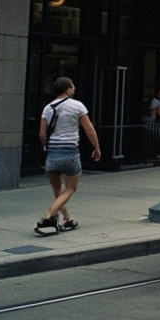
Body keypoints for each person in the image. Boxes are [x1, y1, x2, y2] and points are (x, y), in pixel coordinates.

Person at [35, 77, 101, 235]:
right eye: (73, 87)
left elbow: (42, 134)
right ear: (68, 89)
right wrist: (96, 147)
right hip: (70, 151)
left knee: (58, 191)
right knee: (70, 188)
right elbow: (89, 129)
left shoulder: (47, 108)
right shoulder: (77, 106)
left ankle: (67, 219)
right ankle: (49, 215)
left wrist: (46, 145)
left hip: (52, 153)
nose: (74, 89)